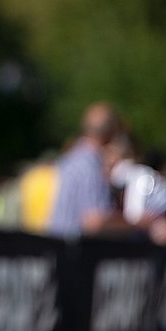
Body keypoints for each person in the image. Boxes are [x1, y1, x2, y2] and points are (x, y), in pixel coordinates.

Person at [47, 101, 129, 239]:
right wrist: (139, 224)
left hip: (55, 244)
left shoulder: (69, 160)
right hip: (73, 248)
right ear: (111, 134)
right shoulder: (91, 167)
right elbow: (93, 222)